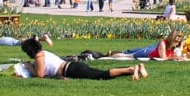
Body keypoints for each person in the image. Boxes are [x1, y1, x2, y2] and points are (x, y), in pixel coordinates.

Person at [16, 35, 146, 80]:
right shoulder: (43, 53)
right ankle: (135, 69)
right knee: (100, 74)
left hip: (71, 69)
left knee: (101, 75)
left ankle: (131, 69)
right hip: (72, 67)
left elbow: (39, 75)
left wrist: (29, 66)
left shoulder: (39, 56)